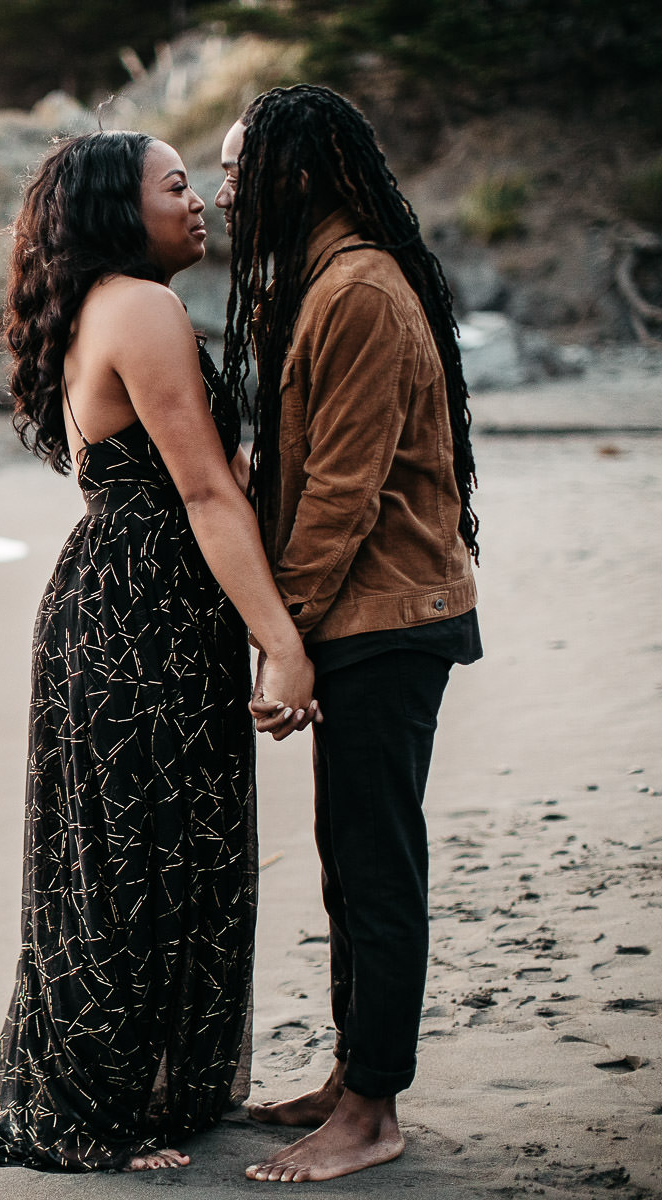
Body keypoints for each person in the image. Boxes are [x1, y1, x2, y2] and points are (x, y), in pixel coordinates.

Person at [0, 130, 318, 1173]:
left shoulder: (109, 304)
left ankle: (143, 1088)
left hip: (124, 598)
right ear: (116, 209)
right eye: (177, 186)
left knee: (140, 846)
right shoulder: (140, 307)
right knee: (140, 853)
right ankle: (100, 1112)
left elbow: (183, 474)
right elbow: (199, 492)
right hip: (141, 610)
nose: (200, 204)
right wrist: (281, 644)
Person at [214, 85, 485, 1183]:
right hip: (366, 613)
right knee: (348, 859)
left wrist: (287, 638)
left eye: (240, 168)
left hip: (387, 617)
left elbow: (343, 491)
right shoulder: (328, 282)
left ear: (301, 172)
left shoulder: (360, 290)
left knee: (376, 866)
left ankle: (373, 1111)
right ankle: (351, 1072)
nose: (227, 191)